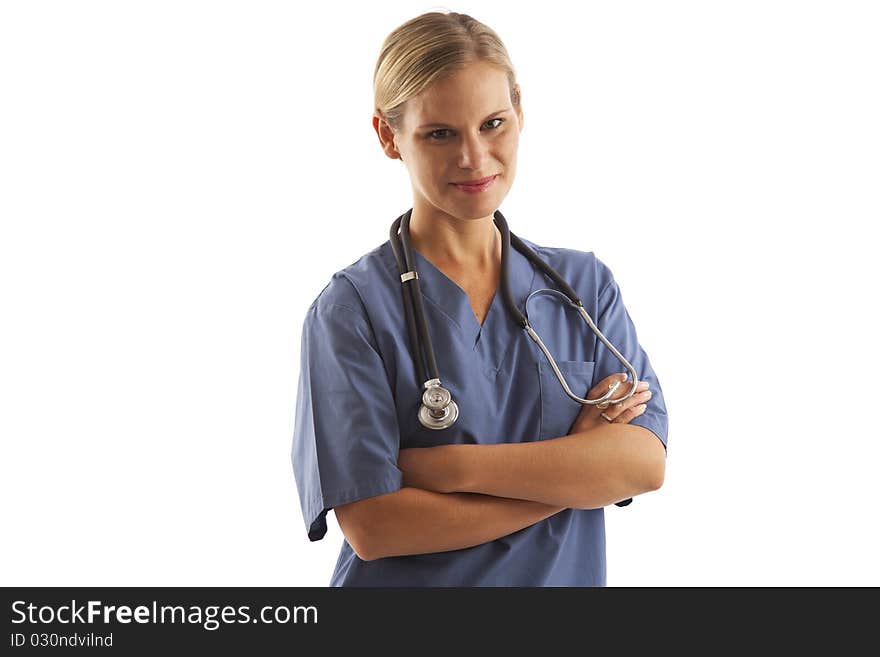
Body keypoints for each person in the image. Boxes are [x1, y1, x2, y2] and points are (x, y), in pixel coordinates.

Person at [290, 10, 668, 587]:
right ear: (388, 137)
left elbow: (642, 463)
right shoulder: (353, 310)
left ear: (520, 110)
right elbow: (375, 526)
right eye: (440, 133)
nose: (473, 156)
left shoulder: (583, 289)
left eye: (493, 123)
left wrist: (448, 467)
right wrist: (572, 478)